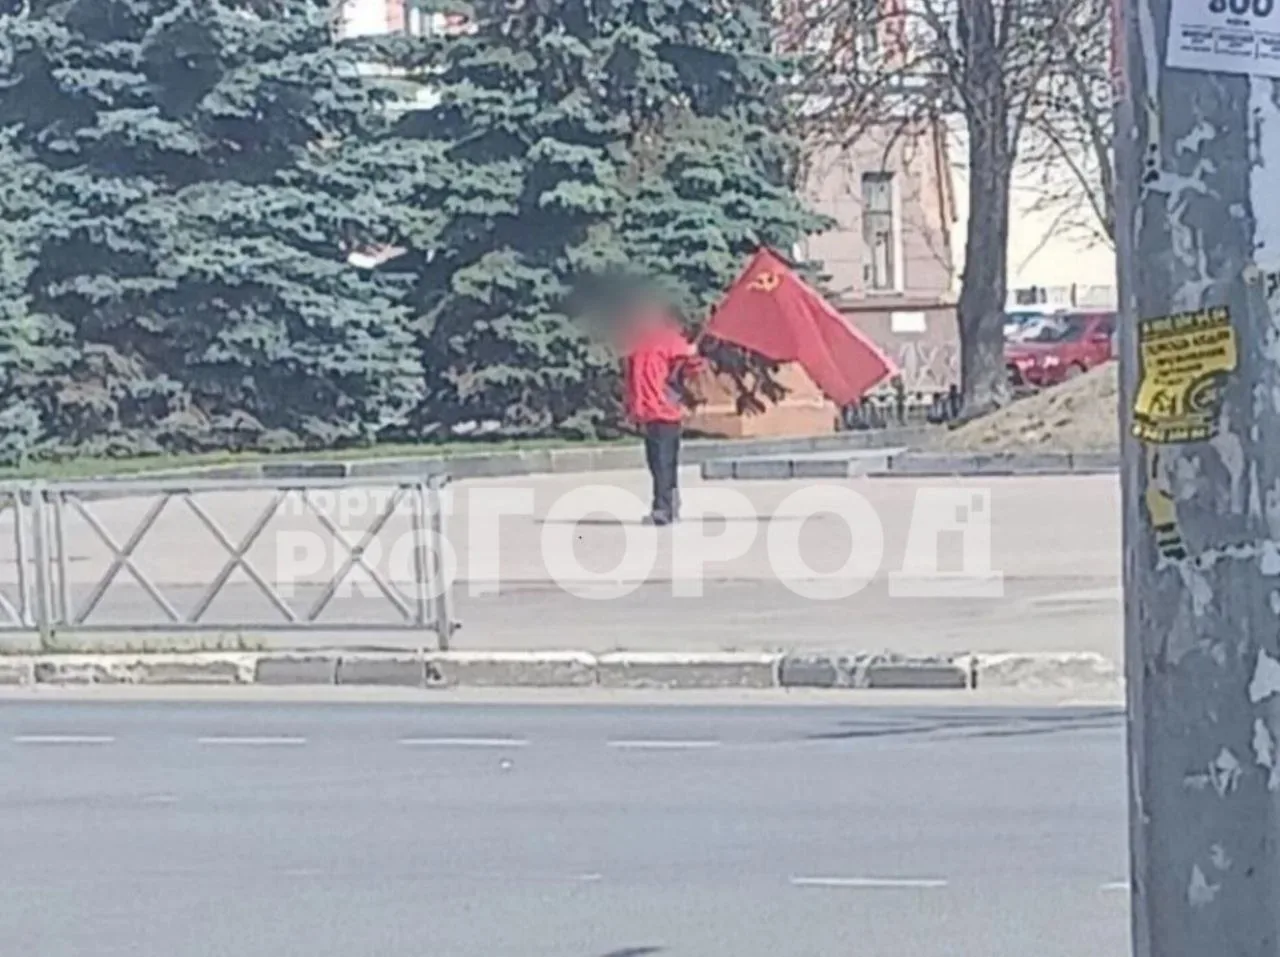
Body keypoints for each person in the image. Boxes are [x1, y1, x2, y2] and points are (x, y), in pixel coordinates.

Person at [621, 305, 704, 526]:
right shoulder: (637, 344)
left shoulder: (669, 340)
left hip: (665, 411)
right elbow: (632, 380)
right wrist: (632, 407)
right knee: (656, 462)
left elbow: (692, 365)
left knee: (663, 462)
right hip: (648, 411)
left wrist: (692, 355)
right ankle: (669, 503)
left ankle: (663, 508)